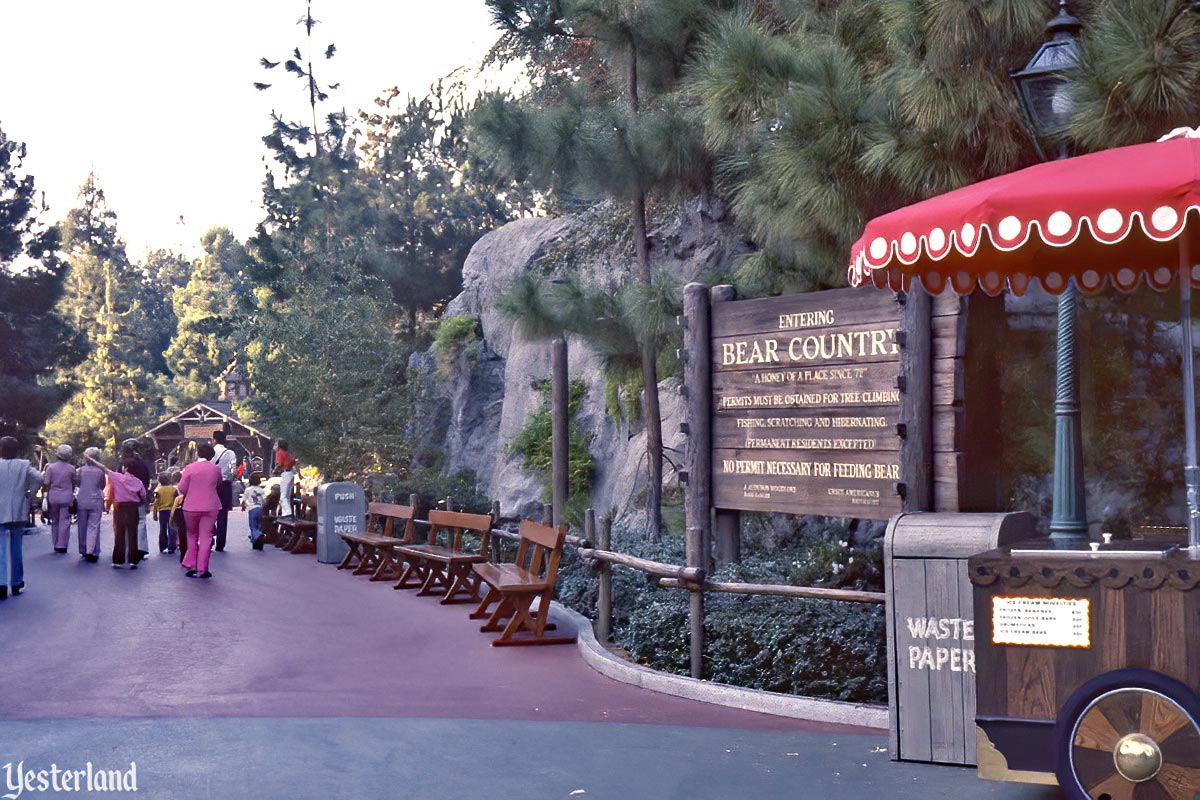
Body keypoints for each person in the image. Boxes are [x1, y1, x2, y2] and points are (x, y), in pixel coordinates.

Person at [0, 436, 42, 599]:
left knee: (0, 548)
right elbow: (38, 478)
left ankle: (1, 583)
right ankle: (16, 582)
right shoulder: (24, 465)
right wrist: (29, 494)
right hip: (18, 509)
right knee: (16, 547)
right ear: (17, 450)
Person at [87, 454, 146, 569]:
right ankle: (133, 560)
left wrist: (91, 459)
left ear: (126, 468)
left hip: (120, 508)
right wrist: (145, 505)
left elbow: (103, 467)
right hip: (133, 508)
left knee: (119, 534)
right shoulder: (138, 482)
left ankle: (118, 560)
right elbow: (143, 495)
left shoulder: (117, 477)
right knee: (132, 534)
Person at [177, 442, 221, 579]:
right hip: (211, 506)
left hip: (191, 507)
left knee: (192, 535)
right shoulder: (216, 469)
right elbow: (218, 483)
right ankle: (203, 568)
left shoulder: (189, 469)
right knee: (206, 537)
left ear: (198, 453)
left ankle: (192, 564)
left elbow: (182, 488)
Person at [119, 439, 152, 562]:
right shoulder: (142, 465)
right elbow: (146, 482)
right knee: (141, 522)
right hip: (139, 498)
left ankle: (128, 548)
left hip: (125, 499)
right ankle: (141, 548)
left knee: (127, 524)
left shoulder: (123, 465)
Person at [43, 444, 77, 554]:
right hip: (66, 496)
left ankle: (55, 543)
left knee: (55, 521)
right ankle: (62, 545)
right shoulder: (71, 469)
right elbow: (74, 482)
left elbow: (46, 482)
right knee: (65, 521)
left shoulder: (50, 467)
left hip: (53, 496)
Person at [75, 447, 107, 563]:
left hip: (82, 499)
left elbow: (77, 483)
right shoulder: (100, 471)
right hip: (95, 499)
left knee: (82, 526)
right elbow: (102, 485)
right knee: (94, 526)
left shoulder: (80, 471)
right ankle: (92, 550)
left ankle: (83, 549)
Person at [210, 431, 237, 552]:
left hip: (210, 485)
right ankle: (220, 544)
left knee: (209, 513)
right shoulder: (230, 453)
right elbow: (234, 471)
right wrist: (230, 477)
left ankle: (209, 538)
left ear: (214, 439)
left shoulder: (210, 452)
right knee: (222, 514)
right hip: (225, 485)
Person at [151, 472, 179, 554]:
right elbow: (176, 500)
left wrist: (155, 514)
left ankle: (163, 546)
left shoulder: (158, 490)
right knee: (172, 528)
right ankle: (172, 546)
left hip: (162, 511)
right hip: (172, 510)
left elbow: (156, 503)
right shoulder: (173, 489)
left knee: (162, 529)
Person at [241, 474, 266, 550]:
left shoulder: (248, 490)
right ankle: (256, 542)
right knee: (258, 525)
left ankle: (258, 536)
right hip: (260, 509)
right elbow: (264, 500)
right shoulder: (261, 490)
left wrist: (243, 507)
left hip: (252, 509)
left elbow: (244, 501)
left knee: (253, 526)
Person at [273, 439, 297, 518]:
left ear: (279, 446)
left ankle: (287, 512)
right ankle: (285, 513)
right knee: (287, 495)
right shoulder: (287, 454)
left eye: (276, 445)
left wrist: (274, 471)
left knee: (283, 496)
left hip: (285, 474)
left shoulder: (279, 453)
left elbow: (279, 464)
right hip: (290, 474)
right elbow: (294, 465)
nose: (274, 446)